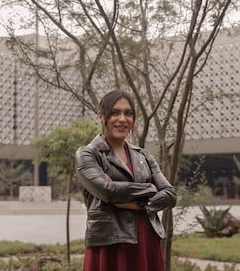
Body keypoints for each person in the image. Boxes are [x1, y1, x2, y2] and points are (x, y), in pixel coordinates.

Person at [75, 90, 177, 271]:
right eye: (115, 112)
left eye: (128, 113)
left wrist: (135, 204)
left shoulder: (143, 155)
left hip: (147, 238)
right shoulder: (87, 154)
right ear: (101, 116)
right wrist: (151, 189)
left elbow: (170, 195)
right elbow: (107, 191)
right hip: (110, 242)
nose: (122, 119)